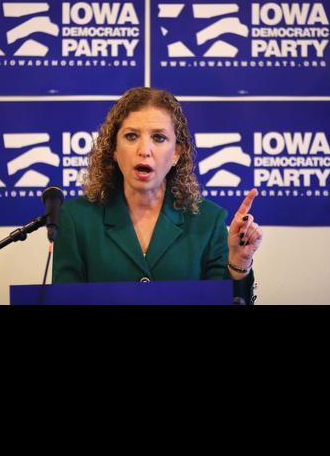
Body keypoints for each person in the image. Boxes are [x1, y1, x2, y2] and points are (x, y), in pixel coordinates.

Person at [52, 87, 262, 304]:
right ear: (114, 149)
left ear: (177, 153)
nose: (144, 149)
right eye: (131, 136)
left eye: (159, 138)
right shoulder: (76, 219)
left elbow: (226, 300)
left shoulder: (208, 221)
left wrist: (239, 262)